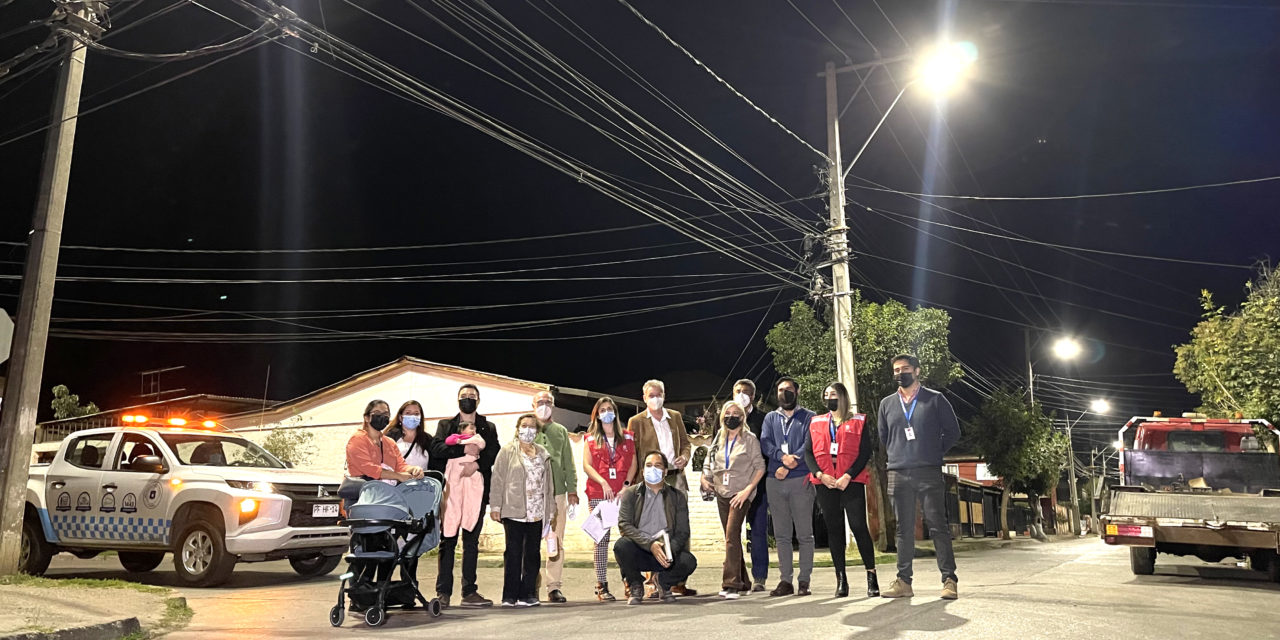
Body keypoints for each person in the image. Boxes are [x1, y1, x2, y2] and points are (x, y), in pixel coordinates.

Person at [878, 354, 961, 600]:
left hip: (928, 470)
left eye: (904, 368)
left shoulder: (935, 400)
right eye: (896, 370)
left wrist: (933, 452)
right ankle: (904, 581)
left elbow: (953, 432)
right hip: (898, 471)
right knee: (903, 530)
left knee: (938, 526)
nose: (900, 373)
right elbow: (884, 437)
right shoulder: (887, 404)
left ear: (916, 371)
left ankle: (949, 580)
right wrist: (897, 455)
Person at [805, 382, 878, 598]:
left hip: (851, 481)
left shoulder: (858, 420)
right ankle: (841, 580)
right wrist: (820, 475)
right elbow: (808, 453)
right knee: (834, 530)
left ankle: (871, 577)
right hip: (826, 483)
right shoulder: (816, 422)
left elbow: (865, 451)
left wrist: (848, 475)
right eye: (826, 394)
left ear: (843, 397)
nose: (829, 398)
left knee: (858, 526)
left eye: (833, 394)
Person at [430, 384, 500, 608]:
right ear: (457, 400)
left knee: (471, 541)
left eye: (472, 396)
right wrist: (463, 450)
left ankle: (469, 591)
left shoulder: (487, 426)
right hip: (450, 489)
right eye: (464, 396)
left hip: (476, 489)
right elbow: (437, 449)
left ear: (478, 401)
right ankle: (443, 592)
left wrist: (476, 465)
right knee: (447, 540)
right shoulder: (445, 425)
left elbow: (493, 453)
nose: (468, 399)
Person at [626, 379, 696, 597]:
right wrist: (635, 483)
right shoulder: (635, 421)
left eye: (660, 394)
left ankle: (676, 580)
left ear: (665, 395)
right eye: (651, 395)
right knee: (650, 527)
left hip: (675, 478)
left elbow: (685, 443)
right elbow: (633, 454)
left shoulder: (674, 417)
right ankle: (649, 581)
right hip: (649, 481)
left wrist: (684, 456)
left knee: (679, 528)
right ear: (644, 397)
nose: (656, 398)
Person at [613, 451, 699, 605]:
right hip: (640, 548)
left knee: (689, 561)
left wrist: (668, 550)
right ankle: (635, 585)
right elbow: (624, 524)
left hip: (665, 553)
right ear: (642, 471)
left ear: (665, 471)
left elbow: (682, 531)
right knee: (621, 546)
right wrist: (649, 544)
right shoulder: (631, 494)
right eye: (648, 465)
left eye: (657, 466)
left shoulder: (677, 497)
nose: (652, 469)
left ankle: (663, 583)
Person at [489, 414, 555, 607]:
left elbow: (548, 485)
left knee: (532, 554)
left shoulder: (543, 453)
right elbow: (498, 479)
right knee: (513, 553)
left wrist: (550, 510)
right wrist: (496, 506)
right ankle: (509, 595)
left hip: (537, 511)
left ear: (537, 431)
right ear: (518, 429)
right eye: (524, 426)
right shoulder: (508, 451)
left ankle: (528, 594)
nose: (528, 430)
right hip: (513, 509)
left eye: (532, 427)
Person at [700, 401, 765, 599]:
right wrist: (704, 478)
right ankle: (744, 581)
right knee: (733, 539)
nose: (731, 416)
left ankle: (731, 584)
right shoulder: (719, 438)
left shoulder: (750, 439)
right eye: (728, 413)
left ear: (742, 417)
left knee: (731, 536)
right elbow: (709, 462)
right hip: (722, 492)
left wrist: (748, 490)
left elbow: (760, 467)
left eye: (736, 413)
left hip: (740, 494)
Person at [760, 376, 816, 597]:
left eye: (789, 390)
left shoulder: (810, 417)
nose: (785, 393)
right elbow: (765, 443)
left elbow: (810, 444)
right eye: (781, 390)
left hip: (800, 479)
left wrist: (793, 462)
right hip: (775, 480)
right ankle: (785, 581)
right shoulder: (770, 418)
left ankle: (804, 581)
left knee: (805, 534)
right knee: (782, 535)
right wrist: (782, 458)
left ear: (797, 392)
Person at [582, 396, 636, 601]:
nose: (607, 412)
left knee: (629, 539)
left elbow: (633, 463)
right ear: (597, 415)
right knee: (601, 540)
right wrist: (603, 482)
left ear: (615, 412)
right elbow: (586, 465)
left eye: (609, 409)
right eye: (602, 409)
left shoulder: (628, 437)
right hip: (599, 494)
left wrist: (626, 486)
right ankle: (602, 584)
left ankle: (630, 581)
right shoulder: (589, 438)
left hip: (623, 494)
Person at [531, 391, 578, 603]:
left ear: (553, 405)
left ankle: (553, 587)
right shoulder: (526, 429)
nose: (544, 405)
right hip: (531, 494)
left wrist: (572, 490)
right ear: (533, 405)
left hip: (558, 493)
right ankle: (531, 583)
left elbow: (568, 463)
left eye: (548, 402)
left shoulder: (560, 431)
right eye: (540, 402)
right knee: (529, 541)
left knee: (555, 542)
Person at [734, 378, 770, 592]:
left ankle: (759, 577)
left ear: (753, 396)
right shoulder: (727, 418)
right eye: (738, 391)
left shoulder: (763, 419)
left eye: (746, 392)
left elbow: (765, 451)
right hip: (733, 487)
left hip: (758, 485)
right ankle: (737, 576)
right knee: (732, 533)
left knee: (757, 531)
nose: (741, 395)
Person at [345, 399, 424, 485]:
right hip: (363, 493)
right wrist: (398, 476)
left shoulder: (389, 442)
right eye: (377, 413)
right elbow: (368, 468)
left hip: (386, 493)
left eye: (386, 414)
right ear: (366, 418)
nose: (382, 416)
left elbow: (400, 465)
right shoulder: (358, 439)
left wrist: (414, 469)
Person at [441, 422, 486, 541]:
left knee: (472, 498)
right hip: (455, 470)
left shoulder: (476, 438)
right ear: (462, 430)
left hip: (472, 472)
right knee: (452, 500)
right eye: (471, 428)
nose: (473, 431)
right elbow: (448, 442)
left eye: (474, 428)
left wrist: (469, 442)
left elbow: (481, 444)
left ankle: (468, 523)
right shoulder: (456, 437)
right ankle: (450, 528)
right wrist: (461, 444)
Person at [384, 400, 430, 470]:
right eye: (408, 413)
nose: (412, 416)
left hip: (422, 479)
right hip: (397, 479)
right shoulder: (391, 436)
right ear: (400, 417)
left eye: (416, 414)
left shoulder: (427, 439)